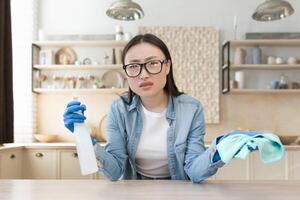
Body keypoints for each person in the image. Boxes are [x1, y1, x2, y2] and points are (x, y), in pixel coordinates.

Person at [63, 33, 225, 183]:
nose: (143, 74)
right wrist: (85, 139)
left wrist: (220, 151)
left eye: (153, 63)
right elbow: (114, 171)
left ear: (167, 66)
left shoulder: (192, 109)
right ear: (126, 73)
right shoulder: (119, 110)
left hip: (178, 189)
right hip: (135, 188)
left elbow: (194, 171)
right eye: (133, 66)